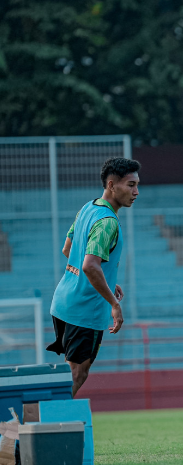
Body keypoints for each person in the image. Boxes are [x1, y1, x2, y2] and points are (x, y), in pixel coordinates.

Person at [48, 157, 140, 397]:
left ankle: (31, 424)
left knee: (70, 373)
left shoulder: (88, 208)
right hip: (84, 309)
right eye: (130, 185)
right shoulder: (108, 222)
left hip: (63, 301)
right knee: (77, 374)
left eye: (137, 185)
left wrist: (106, 278)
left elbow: (68, 250)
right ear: (112, 185)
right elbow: (90, 266)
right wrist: (114, 303)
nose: (136, 192)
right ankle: (31, 426)